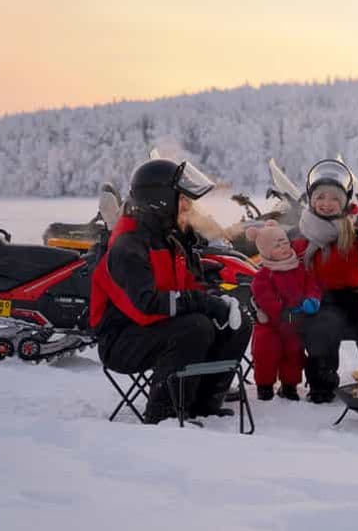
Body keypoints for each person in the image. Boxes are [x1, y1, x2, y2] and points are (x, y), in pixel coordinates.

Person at [91, 158, 252, 424]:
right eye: (183, 199)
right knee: (195, 326)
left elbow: (190, 283)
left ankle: (205, 403)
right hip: (121, 339)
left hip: (157, 327)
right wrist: (202, 303)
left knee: (237, 322)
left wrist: (217, 299)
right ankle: (163, 412)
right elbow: (146, 306)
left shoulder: (170, 238)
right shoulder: (128, 246)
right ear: (161, 201)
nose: (189, 206)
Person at [292, 159, 358, 404]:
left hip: (352, 294)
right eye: (321, 197)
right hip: (317, 296)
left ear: (344, 202)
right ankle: (322, 385)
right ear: (311, 200)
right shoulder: (301, 236)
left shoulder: (353, 232)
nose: (326, 204)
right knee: (320, 327)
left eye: (334, 198)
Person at [246, 220, 321, 401]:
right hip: (270, 325)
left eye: (285, 243)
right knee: (266, 354)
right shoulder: (263, 275)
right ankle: (264, 385)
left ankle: (290, 385)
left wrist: (312, 298)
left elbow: (311, 285)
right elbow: (265, 298)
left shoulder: (300, 267)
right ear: (266, 252)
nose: (284, 248)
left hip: (295, 322)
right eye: (277, 246)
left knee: (294, 354)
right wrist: (281, 311)